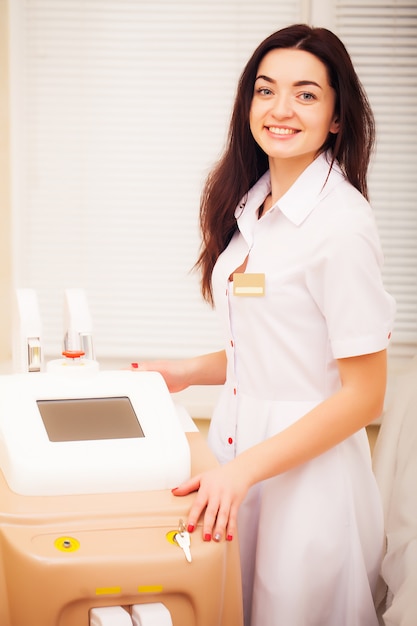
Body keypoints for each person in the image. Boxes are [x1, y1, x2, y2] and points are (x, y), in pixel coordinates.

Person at [132, 24, 396, 626]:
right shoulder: (253, 203)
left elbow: (363, 395)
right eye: (265, 90)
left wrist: (244, 472)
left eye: (305, 94)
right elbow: (277, 344)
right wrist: (187, 371)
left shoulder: (341, 226)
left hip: (309, 480)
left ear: (336, 116)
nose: (280, 109)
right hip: (240, 460)